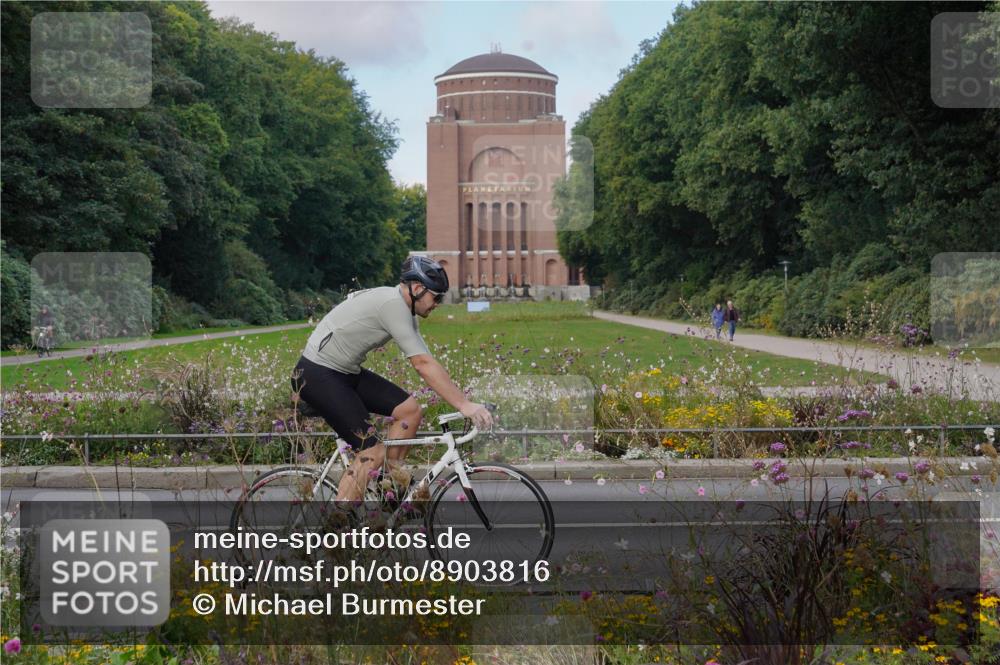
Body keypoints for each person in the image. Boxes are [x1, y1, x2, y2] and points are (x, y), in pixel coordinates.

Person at [292, 256, 493, 501]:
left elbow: (426, 359)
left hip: (344, 372)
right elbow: (422, 365)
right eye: (436, 297)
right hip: (317, 374)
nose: (437, 303)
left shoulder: (404, 309)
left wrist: (461, 399)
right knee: (372, 450)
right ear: (417, 289)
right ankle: (336, 532)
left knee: (409, 411)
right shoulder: (393, 305)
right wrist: (464, 405)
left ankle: (387, 487)